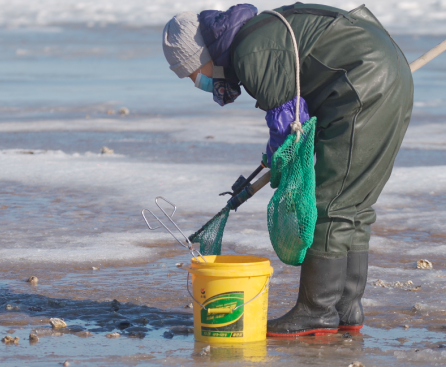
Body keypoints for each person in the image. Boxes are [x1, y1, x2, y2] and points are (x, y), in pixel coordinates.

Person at [162, 3, 413, 336]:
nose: (197, 82)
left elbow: (288, 130)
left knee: (329, 204)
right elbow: (295, 114)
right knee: (353, 203)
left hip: (361, 88)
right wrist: (271, 158)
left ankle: (316, 311)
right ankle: (345, 308)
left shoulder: (249, 54)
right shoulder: (260, 33)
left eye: (192, 73)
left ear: (202, 55)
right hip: (390, 76)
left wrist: (280, 163)